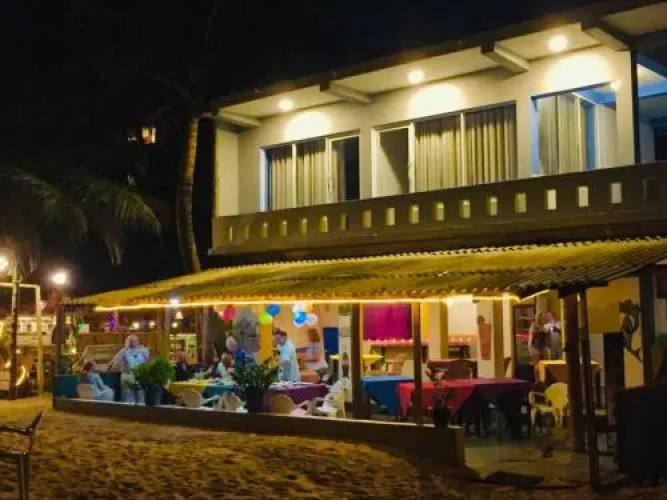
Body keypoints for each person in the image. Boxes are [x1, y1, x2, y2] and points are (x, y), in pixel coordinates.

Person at [110, 334, 150, 404]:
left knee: (140, 395)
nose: (135, 342)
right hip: (128, 374)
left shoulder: (143, 350)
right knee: (128, 396)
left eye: (136, 340)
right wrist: (125, 349)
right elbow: (115, 363)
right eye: (132, 341)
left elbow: (147, 362)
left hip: (140, 374)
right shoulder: (124, 351)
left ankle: (141, 407)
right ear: (128, 342)